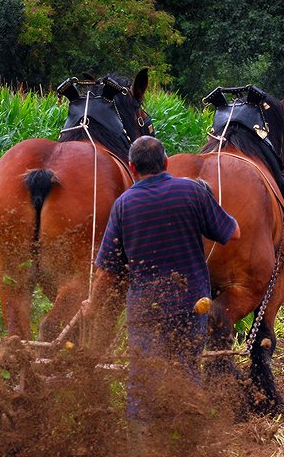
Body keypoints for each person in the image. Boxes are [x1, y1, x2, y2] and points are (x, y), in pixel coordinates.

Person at [81, 135, 240, 435]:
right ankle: (188, 442)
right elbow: (234, 233)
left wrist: (92, 304)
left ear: (131, 167)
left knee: (143, 379)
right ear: (166, 163)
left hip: (145, 311)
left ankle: (142, 449)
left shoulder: (123, 205)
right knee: (187, 370)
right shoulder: (192, 192)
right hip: (190, 306)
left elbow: (106, 273)